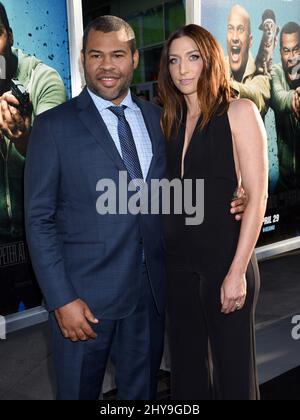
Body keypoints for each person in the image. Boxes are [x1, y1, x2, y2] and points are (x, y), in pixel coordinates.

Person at [25, 16, 247, 400]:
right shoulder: (53, 127)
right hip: (84, 302)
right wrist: (61, 298)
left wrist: (239, 192)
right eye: (96, 55)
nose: (107, 65)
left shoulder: (159, 118)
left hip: (150, 300)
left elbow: (180, 185)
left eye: (117, 55)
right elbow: (38, 219)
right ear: (83, 59)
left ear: (132, 59)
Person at [158, 24, 268, 400]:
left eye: (193, 58)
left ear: (210, 60)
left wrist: (237, 271)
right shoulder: (168, 120)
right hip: (179, 268)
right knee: (187, 378)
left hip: (226, 262)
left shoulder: (239, 110)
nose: (182, 69)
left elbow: (256, 196)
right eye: (174, 60)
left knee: (234, 378)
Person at [0, 2, 66, 314]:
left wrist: (24, 138)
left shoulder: (43, 80)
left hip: (39, 238)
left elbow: (57, 167)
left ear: (10, 35)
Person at [226, 5, 270, 119]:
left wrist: (227, 87)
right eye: (231, 29)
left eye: (240, 29)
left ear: (250, 41)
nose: (234, 37)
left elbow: (257, 96)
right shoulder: (215, 68)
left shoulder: (261, 71)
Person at [270, 22, 300, 192]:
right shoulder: (276, 72)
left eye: (296, 49)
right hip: (284, 185)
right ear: (280, 52)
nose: (291, 57)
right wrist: (294, 99)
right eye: (286, 50)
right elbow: (278, 97)